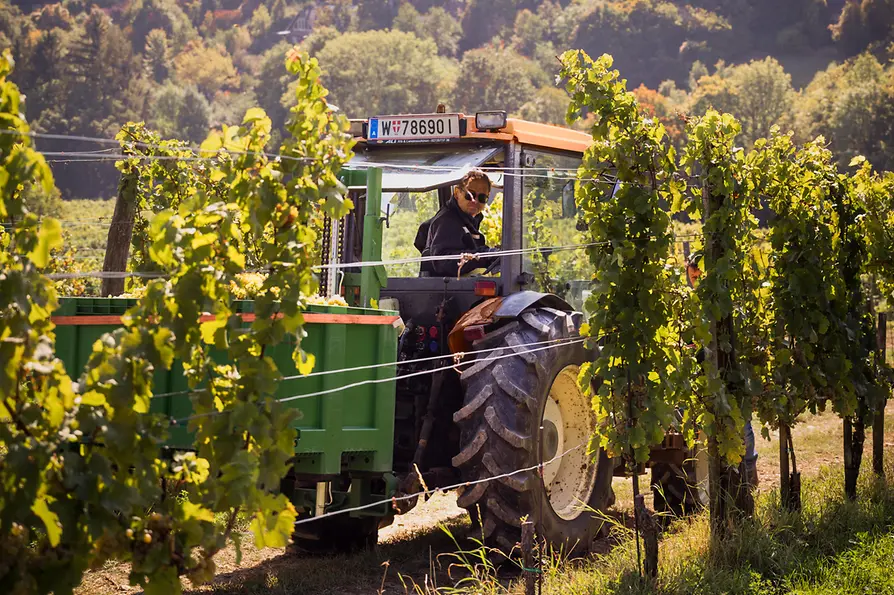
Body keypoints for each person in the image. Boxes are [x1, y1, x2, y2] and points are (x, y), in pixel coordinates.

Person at [686, 254, 760, 488]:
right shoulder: (690, 305)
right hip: (703, 377)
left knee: (742, 426)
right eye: (692, 276)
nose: (695, 280)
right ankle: (722, 481)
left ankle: (749, 474)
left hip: (730, 371)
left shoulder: (726, 301)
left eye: (698, 275)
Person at [414, 169, 497, 277]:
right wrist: (483, 255)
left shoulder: (468, 220)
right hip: (449, 290)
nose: (475, 201)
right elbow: (443, 262)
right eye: (470, 195)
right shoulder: (447, 221)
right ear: (457, 193)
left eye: (481, 197)